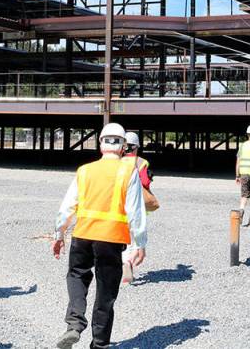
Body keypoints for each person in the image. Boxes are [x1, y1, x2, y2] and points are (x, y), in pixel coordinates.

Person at [52, 122, 147, 349]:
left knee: (77, 275)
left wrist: (59, 234)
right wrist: (140, 244)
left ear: (101, 144)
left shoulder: (85, 171)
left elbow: (67, 207)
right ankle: (100, 344)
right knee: (106, 290)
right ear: (123, 147)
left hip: (83, 234)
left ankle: (74, 325)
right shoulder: (128, 172)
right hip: (112, 239)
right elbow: (135, 211)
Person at [120, 131, 154, 284]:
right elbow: (145, 182)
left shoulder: (117, 162)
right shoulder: (142, 162)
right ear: (136, 147)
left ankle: (124, 261)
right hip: (137, 204)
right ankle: (129, 263)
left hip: (120, 205)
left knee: (123, 237)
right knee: (134, 237)